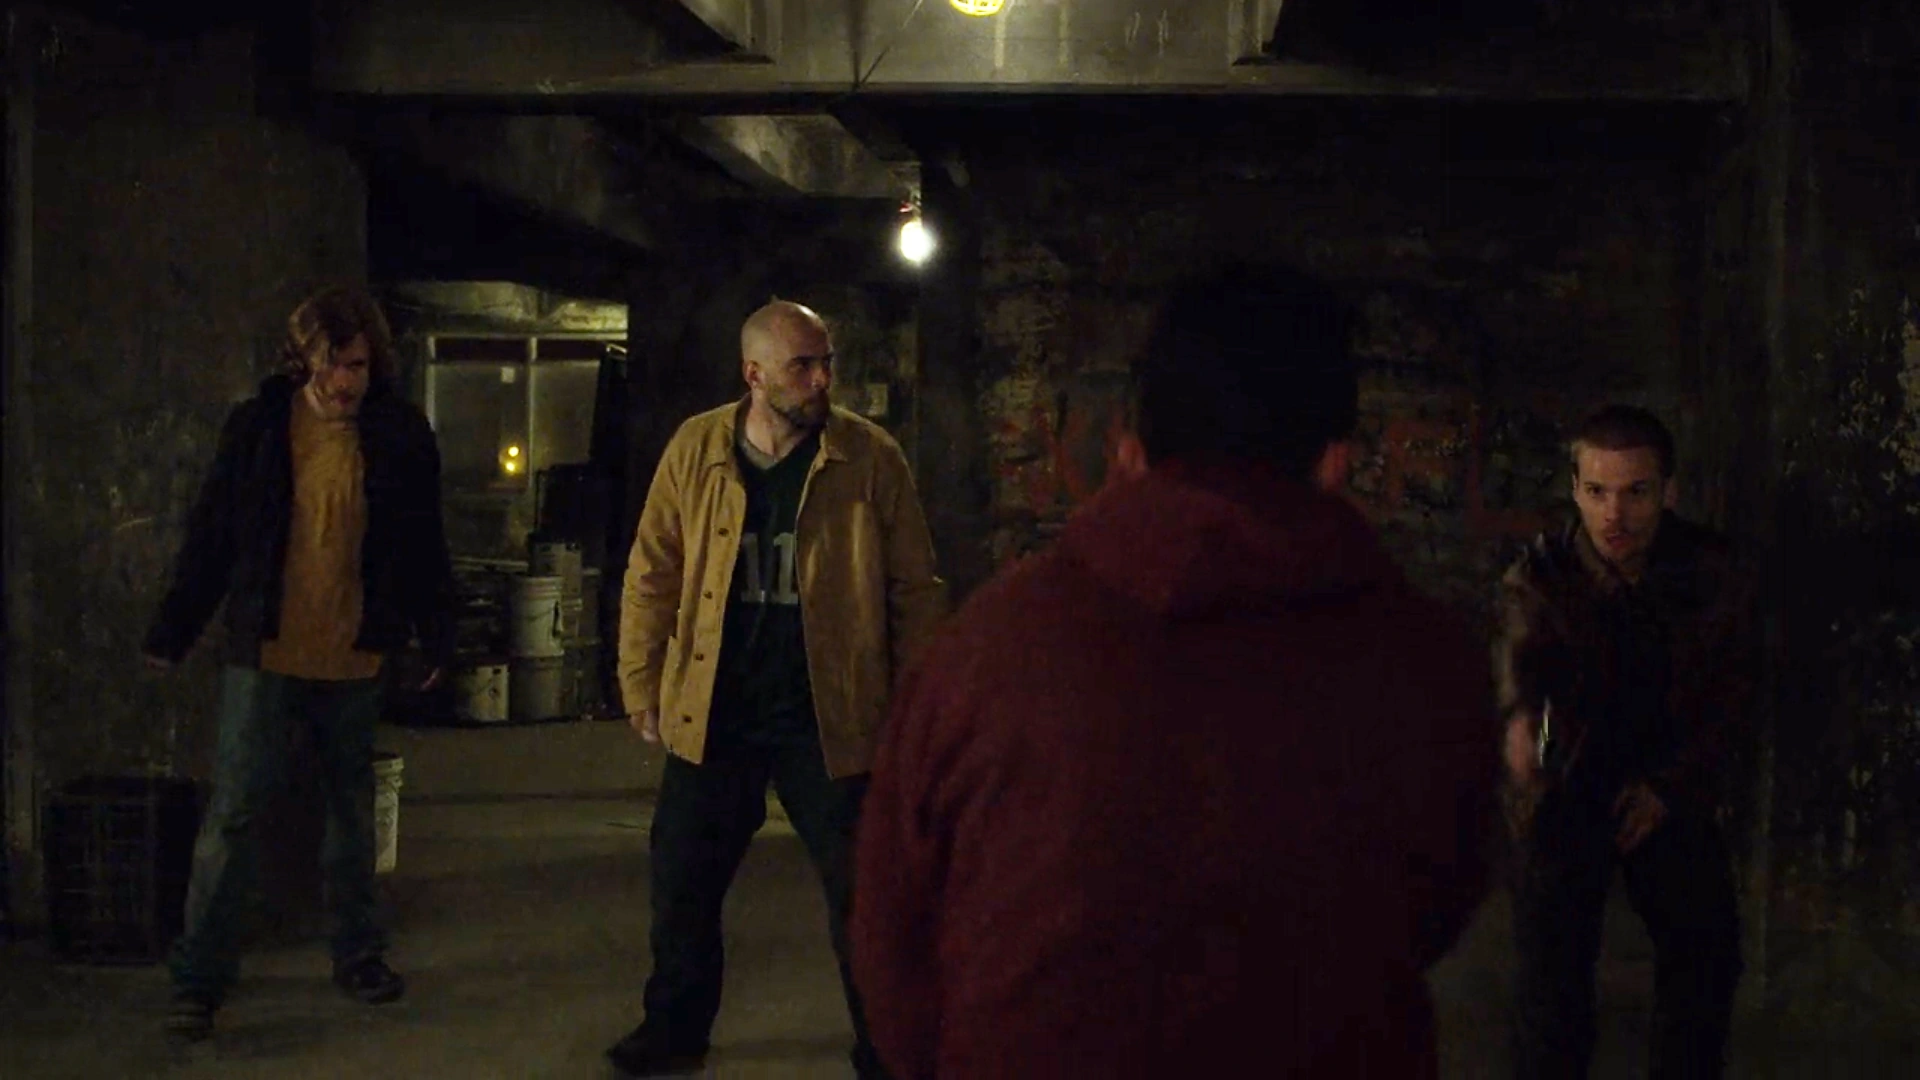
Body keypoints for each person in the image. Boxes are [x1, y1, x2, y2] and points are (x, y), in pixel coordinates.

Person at [849, 266, 1499, 1079]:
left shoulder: (985, 649)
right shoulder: (1426, 659)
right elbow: (1439, 900)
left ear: (1131, 447)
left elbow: (893, 936)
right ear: (1336, 461)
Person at [608, 299, 946, 1079]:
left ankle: (889, 1049)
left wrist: (916, 704)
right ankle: (674, 1032)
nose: (823, 378)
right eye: (803, 365)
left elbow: (914, 589)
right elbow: (652, 569)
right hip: (716, 709)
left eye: (827, 362)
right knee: (682, 886)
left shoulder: (868, 456)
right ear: (754, 373)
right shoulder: (697, 448)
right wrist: (640, 679)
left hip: (830, 714)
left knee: (868, 900)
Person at [142, 285, 455, 1040]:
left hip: (354, 653)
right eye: (330, 365)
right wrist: (173, 629)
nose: (344, 382)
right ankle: (199, 980)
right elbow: (214, 534)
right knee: (234, 815)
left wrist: (438, 635)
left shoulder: (399, 435)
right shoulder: (260, 428)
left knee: (350, 815)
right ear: (301, 361)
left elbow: (421, 542)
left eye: (357, 366)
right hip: (270, 651)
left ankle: (358, 956)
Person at [1497, 404, 1756, 1079]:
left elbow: (1734, 695)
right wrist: (1523, 730)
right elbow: (1519, 672)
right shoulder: (1542, 574)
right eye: (1597, 491)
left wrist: (1670, 787)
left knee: (1706, 952)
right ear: (1575, 490)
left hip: (1670, 775)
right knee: (1549, 974)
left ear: (1668, 491)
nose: (1614, 515)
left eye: (1636, 492)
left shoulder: (1711, 571)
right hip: (1570, 779)